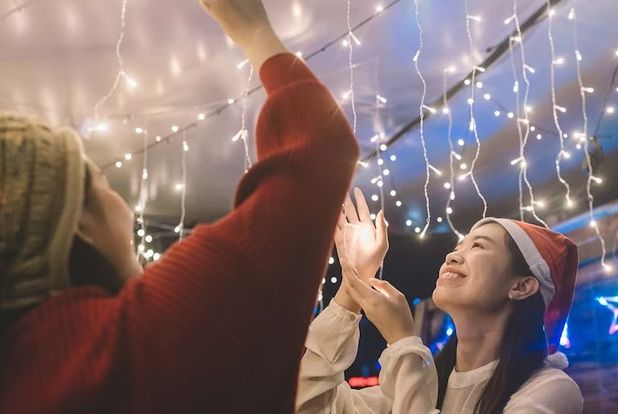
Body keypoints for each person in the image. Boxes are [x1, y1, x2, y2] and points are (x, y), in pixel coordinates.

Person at [0, 0, 358, 412]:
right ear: (73, 221)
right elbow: (318, 153)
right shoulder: (128, 348)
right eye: (102, 183)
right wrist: (255, 32)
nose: (123, 206)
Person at [297, 189, 583, 413]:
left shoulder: (551, 390)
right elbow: (307, 406)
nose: (452, 256)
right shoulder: (426, 382)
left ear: (521, 286)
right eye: (458, 247)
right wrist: (352, 287)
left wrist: (402, 341)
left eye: (479, 245)